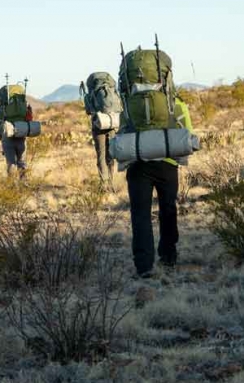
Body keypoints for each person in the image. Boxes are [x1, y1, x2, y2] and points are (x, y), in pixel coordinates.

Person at [121, 96, 193, 278]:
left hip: (138, 164)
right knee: (168, 209)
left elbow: (123, 131)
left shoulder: (130, 102)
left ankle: (144, 266)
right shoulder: (176, 103)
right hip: (167, 163)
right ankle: (168, 258)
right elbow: (187, 132)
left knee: (140, 214)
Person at [82, 73, 121, 190]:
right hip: (112, 122)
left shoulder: (92, 92)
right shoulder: (110, 90)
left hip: (98, 125)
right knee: (110, 155)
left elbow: (88, 111)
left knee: (101, 155)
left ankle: (104, 185)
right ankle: (111, 182)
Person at [0, 84, 32, 178]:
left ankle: (12, 187)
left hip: (8, 140)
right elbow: (29, 122)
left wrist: (2, 138)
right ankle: (24, 184)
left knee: (11, 164)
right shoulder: (24, 109)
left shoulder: (1, 111)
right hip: (21, 138)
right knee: (22, 163)